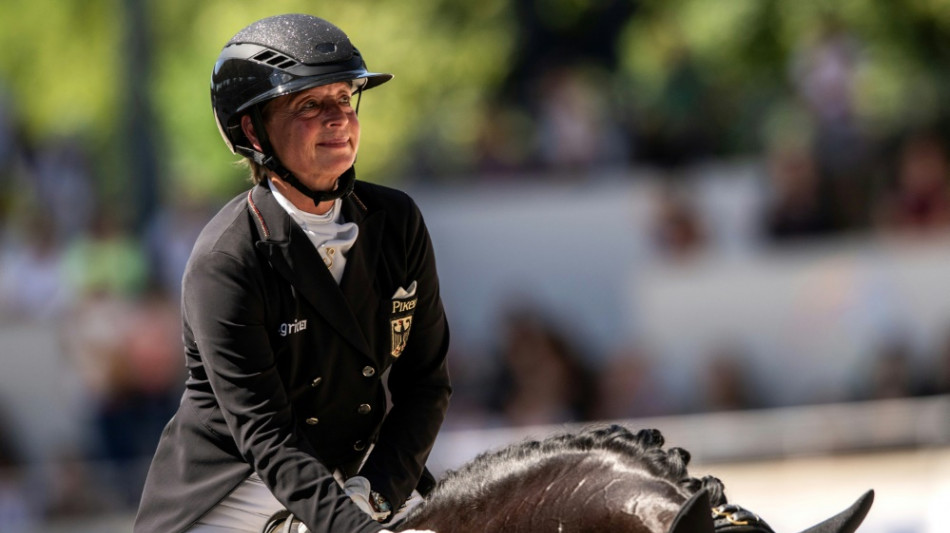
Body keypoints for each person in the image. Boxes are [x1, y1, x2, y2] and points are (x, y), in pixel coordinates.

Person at [134, 14, 451, 533]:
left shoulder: (398, 222)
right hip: (237, 495)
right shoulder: (226, 260)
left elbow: (427, 384)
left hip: (362, 478)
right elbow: (267, 437)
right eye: (309, 105)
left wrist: (373, 495)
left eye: (344, 98)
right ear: (253, 129)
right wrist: (355, 529)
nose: (338, 119)